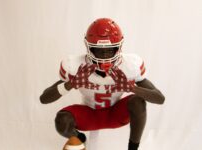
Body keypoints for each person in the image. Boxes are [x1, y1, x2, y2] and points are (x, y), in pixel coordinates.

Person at [40, 18, 165, 150]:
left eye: (110, 49)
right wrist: (71, 83)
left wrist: (132, 88)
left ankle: (133, 148)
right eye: (99, 49)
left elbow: (159, 98)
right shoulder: (77, 67)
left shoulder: (129, 65)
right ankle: (80, 139)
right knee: (62, 120)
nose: (105, 55)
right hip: (89, 113)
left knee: (138, 102)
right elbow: (44, 99)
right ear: (89, 47)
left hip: (115, 113)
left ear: (119, 47)